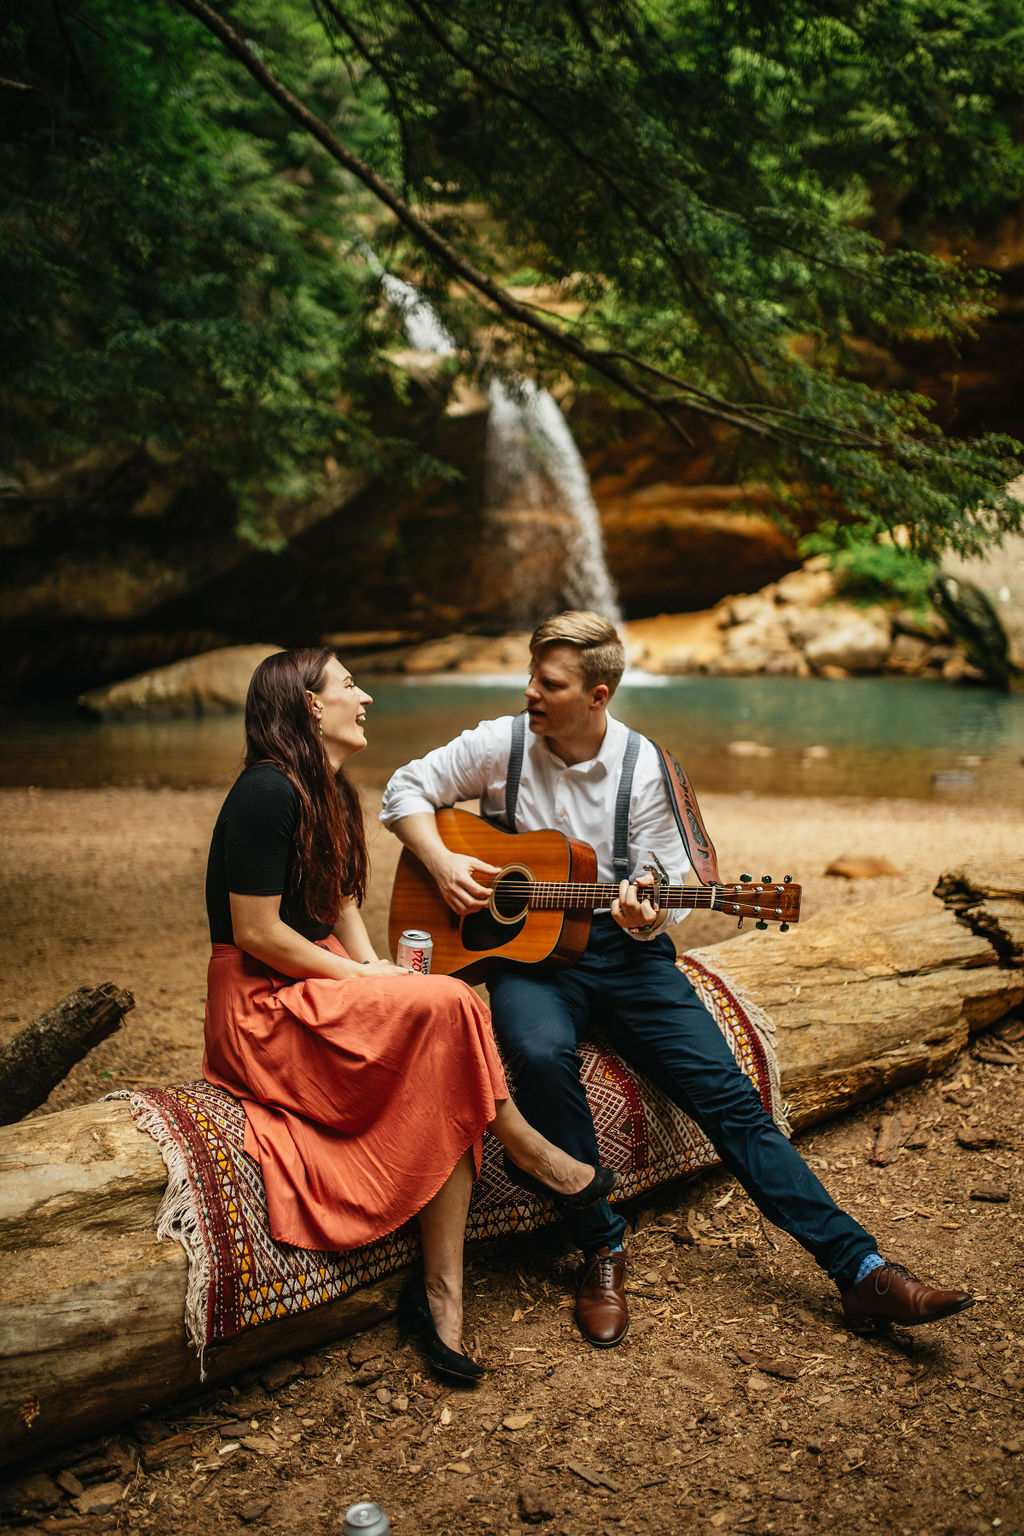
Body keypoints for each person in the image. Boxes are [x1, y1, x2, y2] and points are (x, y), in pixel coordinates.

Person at [381, 610, 975, 1347]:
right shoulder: (501, 743)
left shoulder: (649, 769)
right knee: (534, 1053)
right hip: (529, 960)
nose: (530, 692)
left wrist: (646, 915)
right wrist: (442, 862)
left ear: (598, 696)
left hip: (626, 954)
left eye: (550, 683)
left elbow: (681, 878)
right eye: (532, 675)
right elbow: (405, 788)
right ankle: (601, 1242)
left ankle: (860, 1269)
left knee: (731, 1099)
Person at [202, 646, 617, 1383]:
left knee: (442, 1059)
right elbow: (258, 933)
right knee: (454, 1001)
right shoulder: (265, 794)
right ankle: (524, 1147)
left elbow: (340, 902)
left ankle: (442, 1297)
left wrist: (375, 971)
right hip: (262, 1005)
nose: (364, 699)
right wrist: (363, 974)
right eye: (350, 684)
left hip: (316, 977)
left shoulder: (328, 789)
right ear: (308, 705)